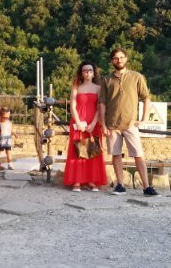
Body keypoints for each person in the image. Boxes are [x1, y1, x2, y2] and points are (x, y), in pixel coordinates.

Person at [99, 48, 159, 196]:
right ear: (112, 61)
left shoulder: (137, 77)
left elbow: (146, 98)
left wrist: (144, 119)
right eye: (115, 58)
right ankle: (120, 185)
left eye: (121, 57)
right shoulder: (106, 80)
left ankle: (146, 187)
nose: (118, 60)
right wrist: (103, 124)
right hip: (112, 124)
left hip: (131, 124)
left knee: (138, 155)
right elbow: (102, 103)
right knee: (116, 155)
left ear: (126, 58)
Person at [64, 61, 108, 192]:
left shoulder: (98, 88)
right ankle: (76, 181)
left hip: (93, 123)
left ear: (94, 73)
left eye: (90, 70)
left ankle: (91, 180)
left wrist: (94, 123)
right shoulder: (76, 87)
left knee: (92, 150)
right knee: (77, 151)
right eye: (85, 70)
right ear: (81, 73)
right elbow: (72, 106)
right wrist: (78, 122)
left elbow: (99, 107)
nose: (87, 72)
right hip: (78, 122)